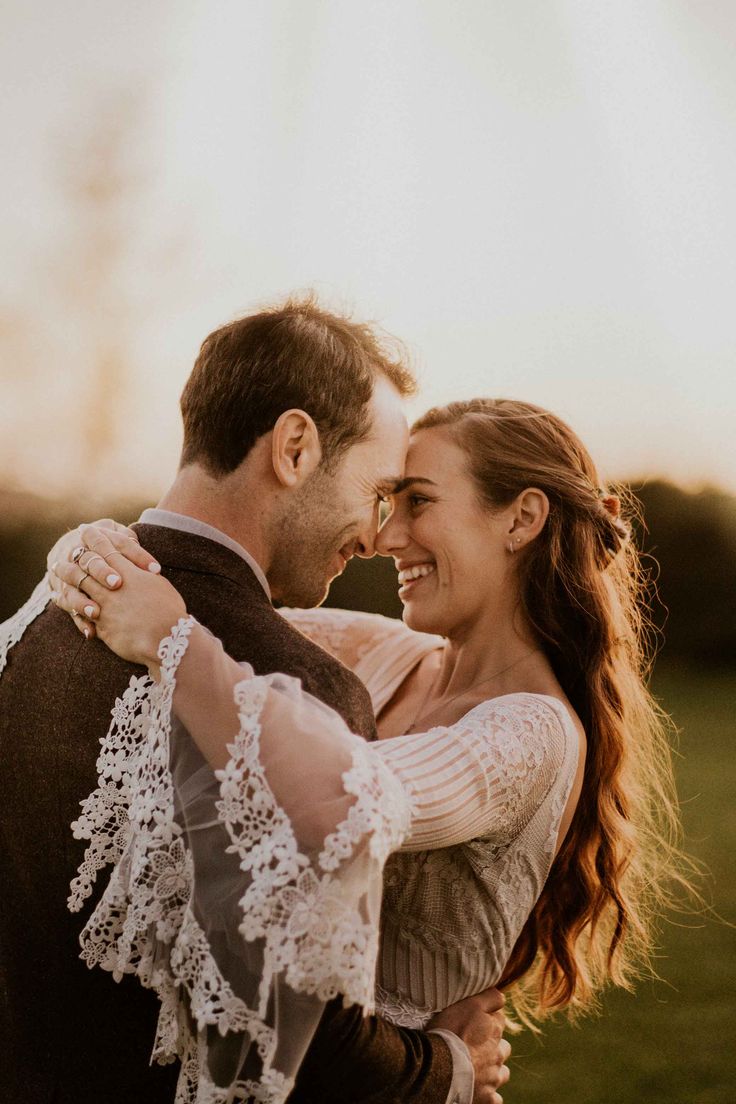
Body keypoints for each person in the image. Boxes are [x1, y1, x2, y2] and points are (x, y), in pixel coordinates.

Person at [47, 399, 686, 1098]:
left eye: (418, 502)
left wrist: (173, 643)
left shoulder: (533, 737)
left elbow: (343, 798)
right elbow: (202, 591)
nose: (388, 537)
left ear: (522, 519)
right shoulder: (388, 652)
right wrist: (86, 549)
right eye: (388, 502)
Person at [0, 298, 509, 1104]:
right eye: (376, 491)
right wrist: (449, 1067)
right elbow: (303, 1043)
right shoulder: (298, 691)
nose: (377, 536)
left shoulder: (34, 623)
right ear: (296, 447)